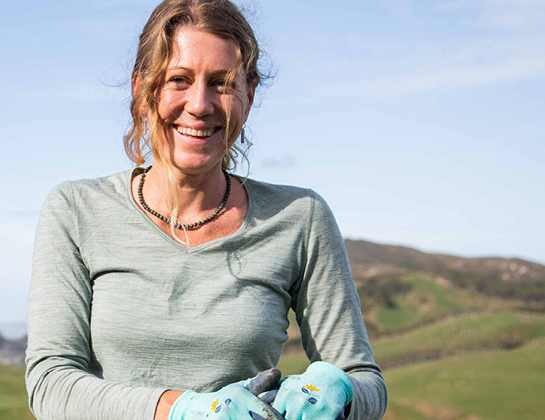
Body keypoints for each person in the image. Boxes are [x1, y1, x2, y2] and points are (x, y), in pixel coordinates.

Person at [24, 1, 387, 419]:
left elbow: (364, 380)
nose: (200, 104)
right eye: (178, 79)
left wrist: (341, 392)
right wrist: (182, 411)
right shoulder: (75, 210)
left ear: (249, 95)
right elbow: (50, 384)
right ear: (142, 89)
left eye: (222, 83)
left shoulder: (301, 217)